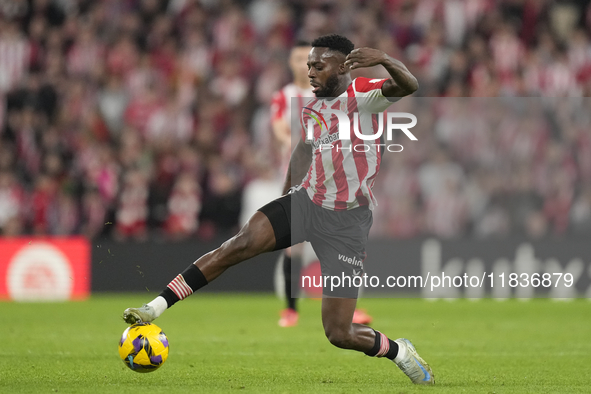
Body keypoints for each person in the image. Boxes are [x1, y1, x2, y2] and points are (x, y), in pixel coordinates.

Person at [123, 34, 434, 385]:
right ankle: (155, 308)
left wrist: (384, 58)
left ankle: (399, 351)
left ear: (343, 65)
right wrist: (285, 199)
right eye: (308, 66)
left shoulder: (364, 93)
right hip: (307, 203)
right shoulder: (313, 108)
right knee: (236, 245)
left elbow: (409, 84)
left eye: (318, 66)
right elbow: (303, 149)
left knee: (339, 333)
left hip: (347, 224)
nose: (311, 73)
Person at [270, 40, 372, 327]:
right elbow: (278, 129)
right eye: (301, 59)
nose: (308, 65)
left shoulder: (335, 93)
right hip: (301, 174)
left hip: (335, 176)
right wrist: (299, 145)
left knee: (342, 245)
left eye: (311, 59)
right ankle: (291, 309)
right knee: (294, 246)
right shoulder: (284, 96)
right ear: (293, 64)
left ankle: (350, 309)